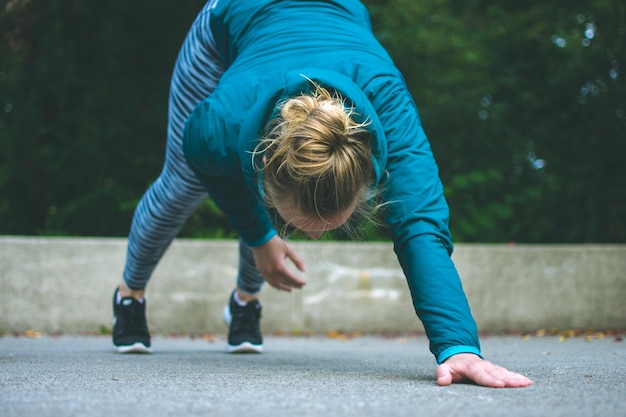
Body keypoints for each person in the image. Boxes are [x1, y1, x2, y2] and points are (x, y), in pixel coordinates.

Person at [112, 0, 533, 388]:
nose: (312, 239)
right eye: (301, 224)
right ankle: (129, 296)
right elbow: (214, 168)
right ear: (262, 169)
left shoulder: (388, 103)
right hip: (232, 19)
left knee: (262, 216)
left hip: (340, 16)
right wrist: (260, 236)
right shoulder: (216, 126)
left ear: (369, 175)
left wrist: (457, 345)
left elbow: (420, 222)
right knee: (183, 184)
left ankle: (244, 303)